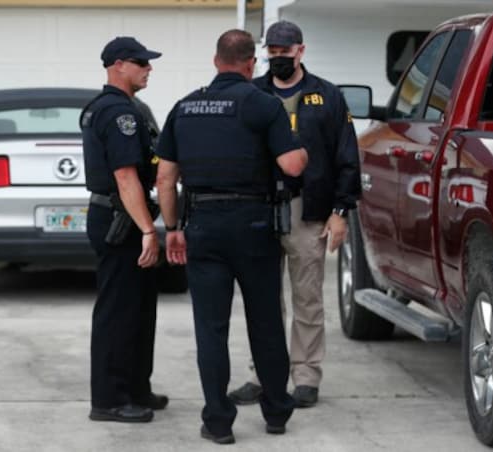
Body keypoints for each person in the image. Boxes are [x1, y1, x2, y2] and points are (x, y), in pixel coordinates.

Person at [155, 29, 308, 444]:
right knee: (265, 323)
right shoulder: (263, 104)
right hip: (254, 226)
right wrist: (304, 150)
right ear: (250, 64)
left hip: (202, 225)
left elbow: (165, 178)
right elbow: (293, 166)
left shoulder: (184, 107)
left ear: (215, 60)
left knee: (211, 328)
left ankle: (218, 423)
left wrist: (172, 229)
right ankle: (276, 412)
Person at [228, 20, 361, 408]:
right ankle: (262, 375)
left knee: (307, 299)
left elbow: (346, 158)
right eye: (272, 52)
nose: (277, 59)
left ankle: (306, 377)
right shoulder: (252, 93)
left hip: (309, 209)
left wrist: (340, 211)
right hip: (261, 208)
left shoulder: (327, 96)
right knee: (263, 300)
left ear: (300, 51)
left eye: (284, 52)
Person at [81, 36, 168, 423]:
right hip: (122, 220)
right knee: (118, 310)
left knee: (139, 308)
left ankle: (136, 388)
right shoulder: (118, 113)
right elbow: (125, 176)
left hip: (126, 216)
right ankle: (109, 399)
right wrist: (149, 230)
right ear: (118, 65)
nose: (149, 68)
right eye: (141, 62)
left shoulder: (127, 107)